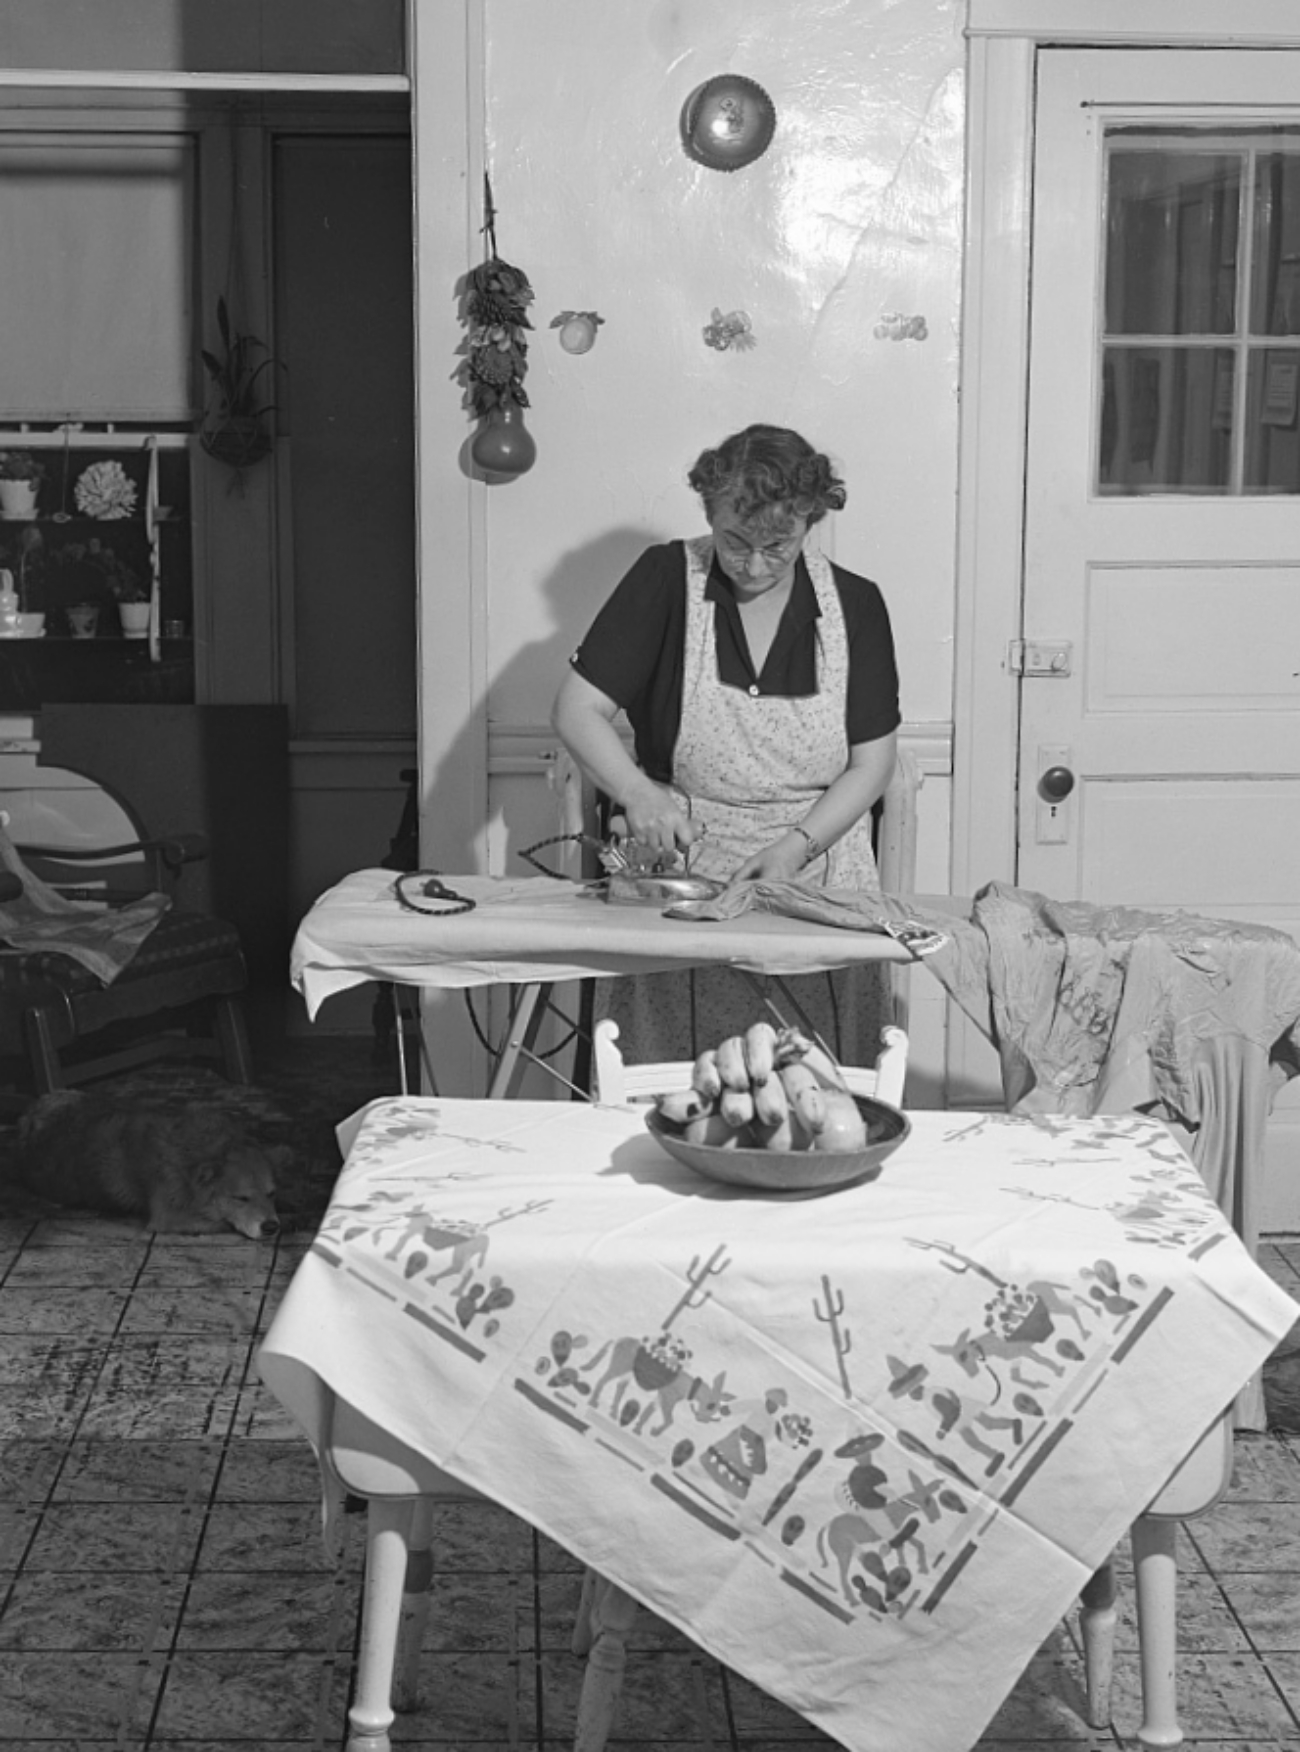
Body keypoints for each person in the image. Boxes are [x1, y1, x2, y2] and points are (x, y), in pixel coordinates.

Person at [551, 423, 900, 1064]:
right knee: (674, 1089)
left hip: (817, 875)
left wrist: (794, 850)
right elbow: (577, 710)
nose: (757, 565)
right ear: (709, 511)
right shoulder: (665, 580)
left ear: (809, 521)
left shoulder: (855, 604)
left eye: (780, 546)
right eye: (737, 542)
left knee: (812, 1089)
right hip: (684, 877)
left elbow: (872, 763)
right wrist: (637, 792)